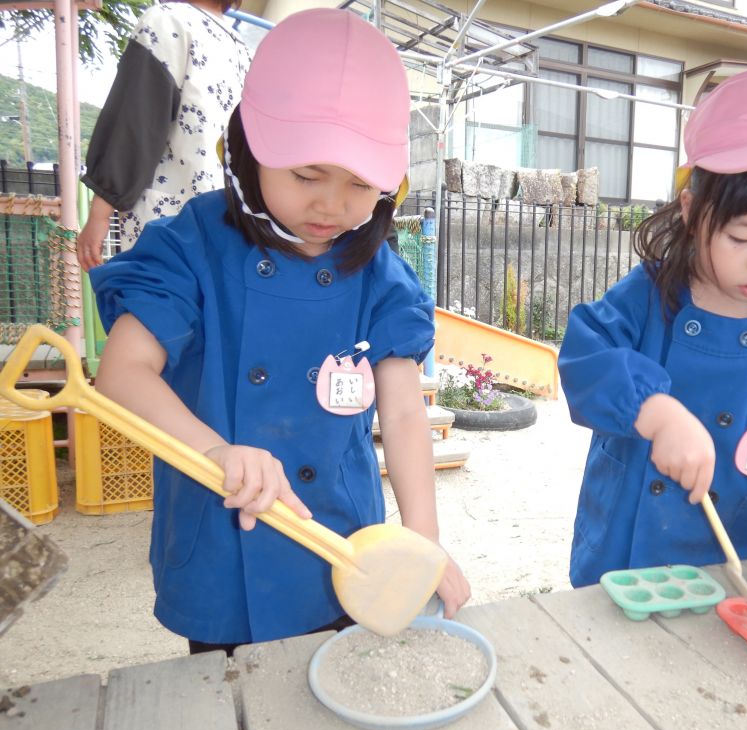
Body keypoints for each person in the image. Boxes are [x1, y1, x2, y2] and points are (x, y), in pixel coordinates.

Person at [89, 8, 470, 654]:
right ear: (249, 145)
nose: (331, 204)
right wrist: (216, 453)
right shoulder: (191, 247)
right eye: (305, 174)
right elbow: (121, 375)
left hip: (345, 551)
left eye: (360, 184)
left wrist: (422, 546)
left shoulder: (378, 273)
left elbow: (404, 415)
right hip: (220, 549)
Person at [558, 66, 747, 639]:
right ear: (693, 210)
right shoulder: (649, 298)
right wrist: (659, 412)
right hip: (621, 559)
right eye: (743, 237)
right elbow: (585, 356)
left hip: (731, 570)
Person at [77, 0, 251, 271]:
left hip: (169, 224)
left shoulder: (168, 21)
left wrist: (99, 216)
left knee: (152, 308)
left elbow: (136, 120)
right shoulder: (240, 47)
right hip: (228, 226)